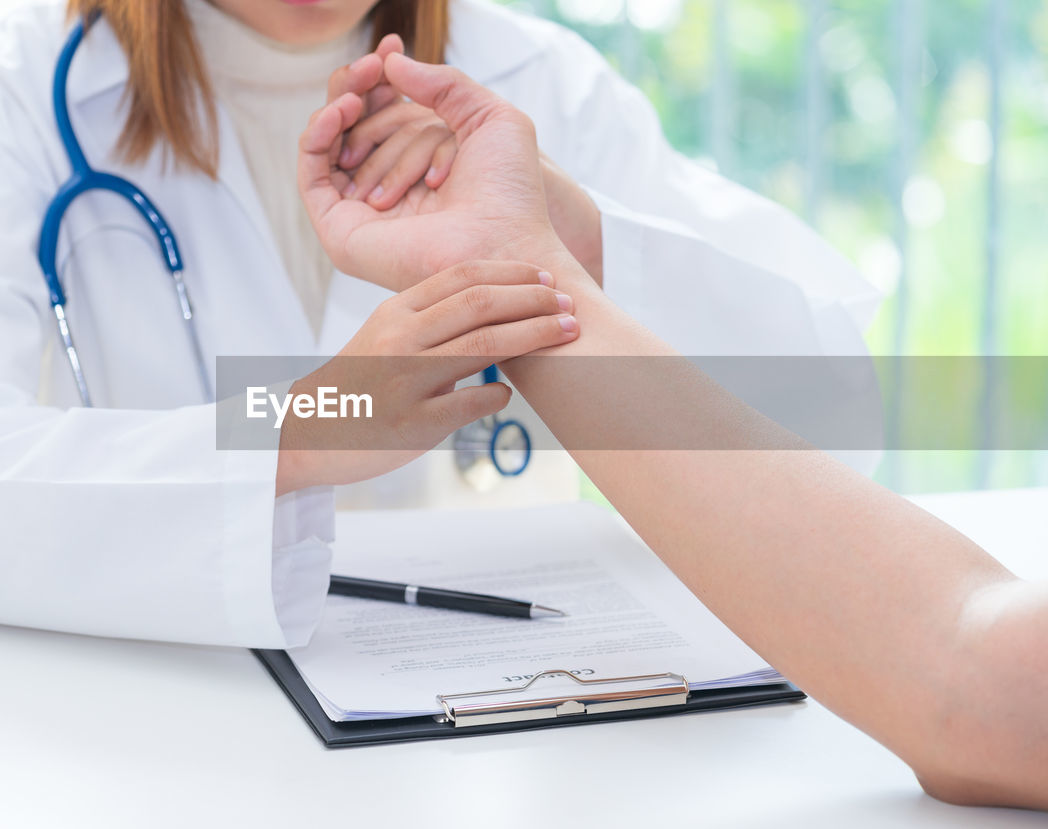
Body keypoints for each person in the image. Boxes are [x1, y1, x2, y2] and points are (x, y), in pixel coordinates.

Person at [0, 0, 876, 648]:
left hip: (497, 737)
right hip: (147, 741)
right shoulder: (0, 101)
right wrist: (297, 431)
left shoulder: (537, 87)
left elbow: (839, 410)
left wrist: (570, 237)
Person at [297, 50, 1048, 810]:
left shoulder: (547, 82)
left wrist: (555, 259)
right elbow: (969, 674)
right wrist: (297, 422)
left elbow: (972, 678)